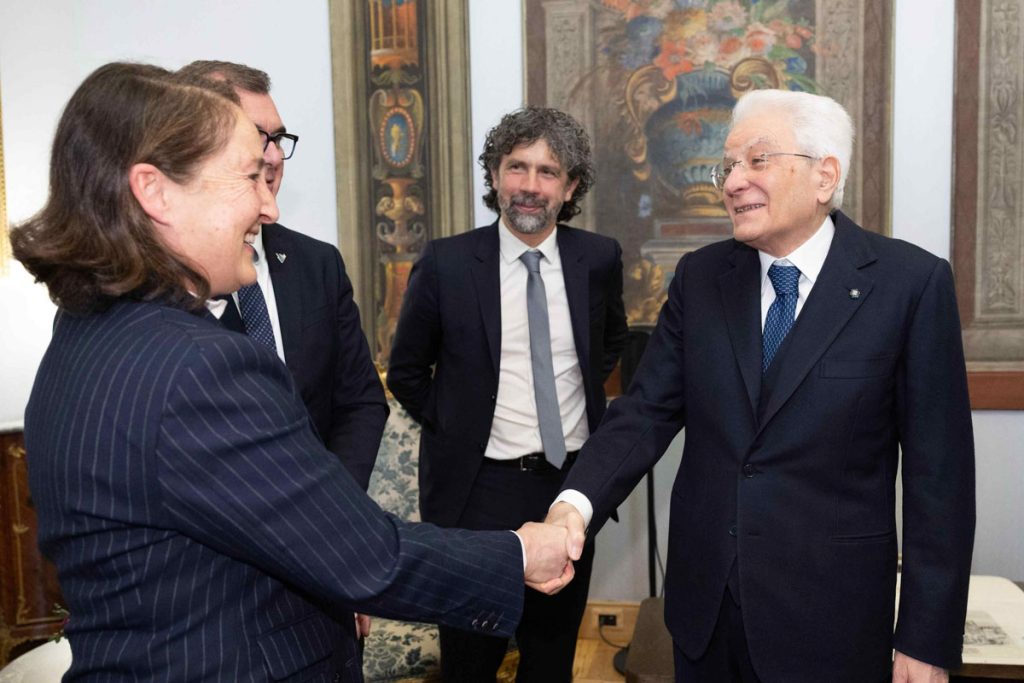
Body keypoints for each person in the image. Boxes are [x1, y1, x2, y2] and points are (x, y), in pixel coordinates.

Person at [11, 62, 573, 683]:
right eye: (249, 176)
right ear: (155, 191)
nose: (269, 205)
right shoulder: (196, 367)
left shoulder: (83, 332)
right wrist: (521, 554)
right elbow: (363, 556)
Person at [546, 89, 976, 683]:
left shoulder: (910, 284)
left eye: (758, 160)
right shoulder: (701, 278)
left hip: (832, 620)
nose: (732, 181)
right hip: (706, 615)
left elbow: (940, 481)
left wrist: (926, 640)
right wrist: (573, 506)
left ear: (825, 175)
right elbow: (644, 412)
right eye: (728, 165)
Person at [387, 106, 628, 682]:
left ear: (570, 186)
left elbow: (610, 343)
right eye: (516, 166)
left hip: (570, 490)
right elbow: (407, 372)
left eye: (549, 171)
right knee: (470, 662)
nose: (530, 185)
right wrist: (459, 424)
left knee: (551, 661)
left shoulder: (598, 258)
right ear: (494, 175)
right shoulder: (447, 263)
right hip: (477, 494)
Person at [175, 60, 388, 491]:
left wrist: (335, 501)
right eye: (257, 137)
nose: (272, 156)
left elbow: (361, 400)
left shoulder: (318, 263)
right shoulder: (161, 281)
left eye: (278, 139)